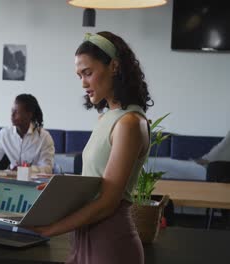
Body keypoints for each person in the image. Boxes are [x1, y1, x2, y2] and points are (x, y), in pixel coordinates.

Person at [31, 32, 153, 264]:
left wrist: (51, 229)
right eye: (79, 76)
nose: (84, 83)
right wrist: (62, 191)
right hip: (84, 237)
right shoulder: (107, 118)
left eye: (88, 73)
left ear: (114, 66)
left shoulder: (130, 123)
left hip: (111, 242)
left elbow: (108, 203)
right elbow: (95, 183)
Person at [0, 94, 55, 174]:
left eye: (16, 112)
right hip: (12, 179)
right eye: (12, 111)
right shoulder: (4, 134)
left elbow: (47, 168)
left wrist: (25, 169)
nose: (12, 115)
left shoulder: (44, 137)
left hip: (34, 182)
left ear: (29, 115)